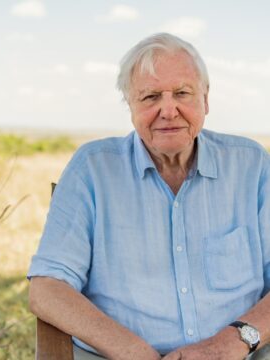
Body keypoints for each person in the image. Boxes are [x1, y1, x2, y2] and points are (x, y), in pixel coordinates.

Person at [28, 33, 270, 359]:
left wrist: (229, 344)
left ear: (206, 99)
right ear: (130, 103)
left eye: (182, 93)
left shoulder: (251, 165)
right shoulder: (92, 169)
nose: (168, 110)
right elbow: (47, 289)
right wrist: (133, 351)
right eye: (150, 97)